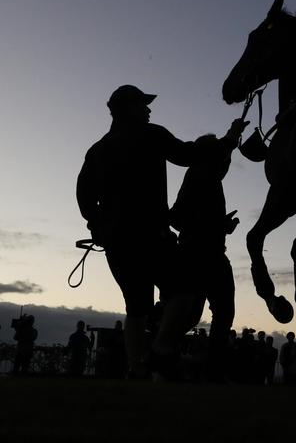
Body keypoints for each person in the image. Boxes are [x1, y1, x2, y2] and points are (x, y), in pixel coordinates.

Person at [76, 84, 248, 378]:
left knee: (136, 307)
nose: (148, 109)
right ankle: (162, 350)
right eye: (143, 105)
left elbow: (83, 196)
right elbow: (187, 154)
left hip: (118, 243)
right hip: (153, 238)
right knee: (184, 293)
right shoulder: (152, 134)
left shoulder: (97, 150)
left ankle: (136, 370)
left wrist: (98, 226)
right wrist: (229, 140)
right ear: (130, 107)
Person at [169, 130, 245, 382]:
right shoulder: (200, 175)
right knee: (204, 313)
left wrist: (220, 226)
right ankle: (164, 357)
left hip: (206, 252)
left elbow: (181, 217)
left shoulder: (206, 175)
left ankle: (203, 367)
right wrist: (217, 225)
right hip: (198, 253)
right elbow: (177, 216)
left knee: (212, 312)